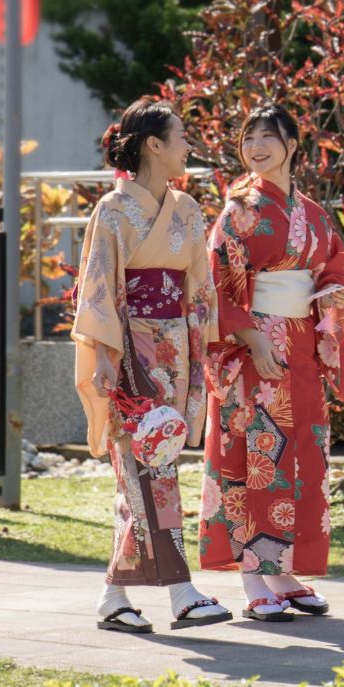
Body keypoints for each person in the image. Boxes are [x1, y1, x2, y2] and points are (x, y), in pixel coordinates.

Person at [71, 99, 230, 633]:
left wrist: (201, 347)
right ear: (154, 145)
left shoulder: (187, 208)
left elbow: (199, 286)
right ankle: (181, 592)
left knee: (153, 464)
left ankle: (114, 596)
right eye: (181, 135)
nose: (188, 145)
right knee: (146, 466)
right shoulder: (113, 210)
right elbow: (99, 287)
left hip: (175, 347)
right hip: (131, 350)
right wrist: (104, 358)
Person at [201, 104, 344, 621]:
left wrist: (334, 295)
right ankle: (254, 578)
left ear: (293, 145)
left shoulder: (313, 213)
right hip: (254, 349)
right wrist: (252, 338)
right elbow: (215, 282)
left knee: (302, 458)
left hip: (301, 347)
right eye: (248, 137)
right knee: (257, 455)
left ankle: (284, 573)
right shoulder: (239, 210)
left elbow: (334, 268)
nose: (255, 147)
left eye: (267, 137)